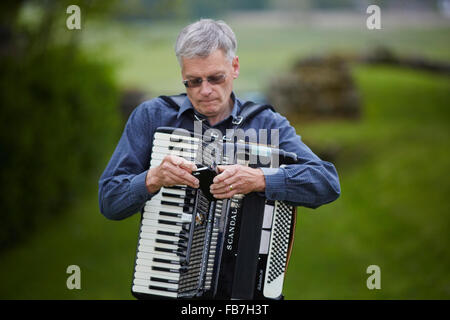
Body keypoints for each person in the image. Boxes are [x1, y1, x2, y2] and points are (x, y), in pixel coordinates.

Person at [98, 19, 340, 221]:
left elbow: (327, 183)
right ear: (183, 75)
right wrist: (153, 178)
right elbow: (109, 201)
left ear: (234, 67)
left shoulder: (267, 123)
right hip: (169, 270)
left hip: (243, 276)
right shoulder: (152, 116)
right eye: (194, 81)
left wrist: (259, 179)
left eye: (215, 78)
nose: (205, 90)